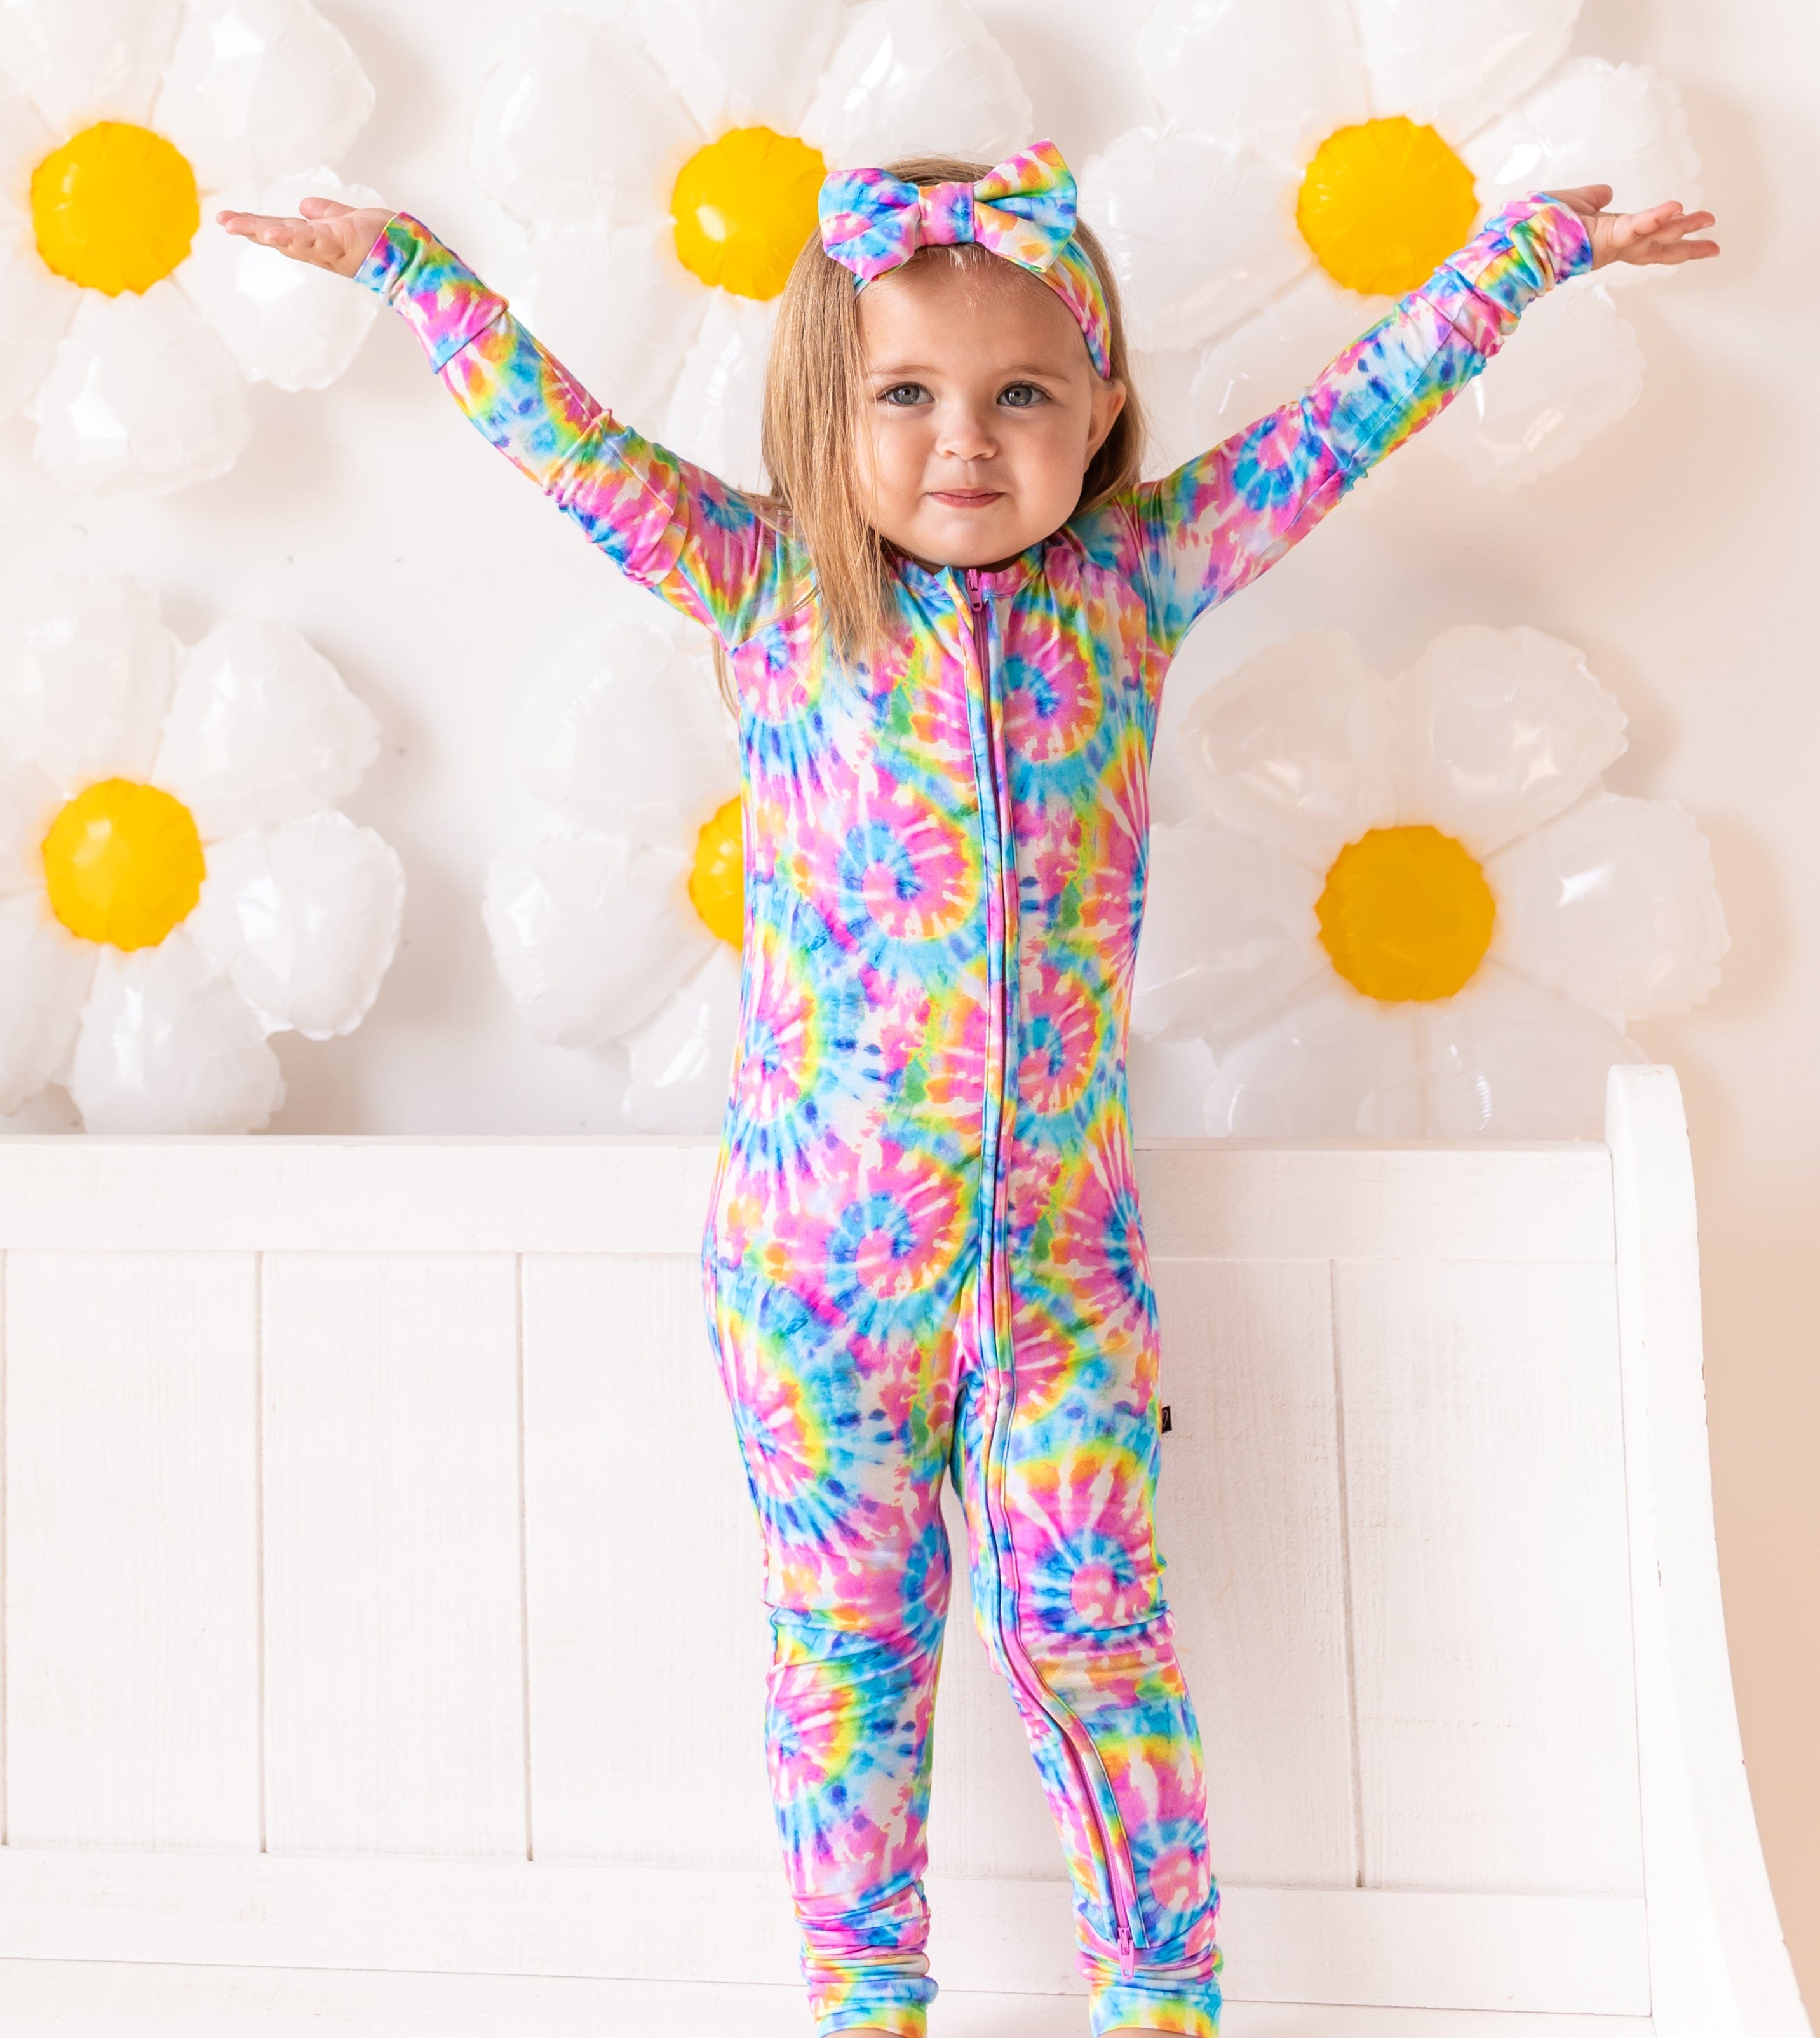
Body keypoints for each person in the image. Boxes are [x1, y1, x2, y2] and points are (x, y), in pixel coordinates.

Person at [220, 150, 1716, 2038]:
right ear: (822, 413)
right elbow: (569, 439)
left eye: (1020, 391)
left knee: (1100, 1644)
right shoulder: (765, 590)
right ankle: (868, 2004)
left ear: (1097, 407)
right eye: (905, 393)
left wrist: (1537, 249)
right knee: (846, 1670)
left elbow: (1353, 408)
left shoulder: (1138, 575)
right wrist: (407, 263)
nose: (962, 440)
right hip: (816, 1277)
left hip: (1057, 1284)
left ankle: (1161, 2001)